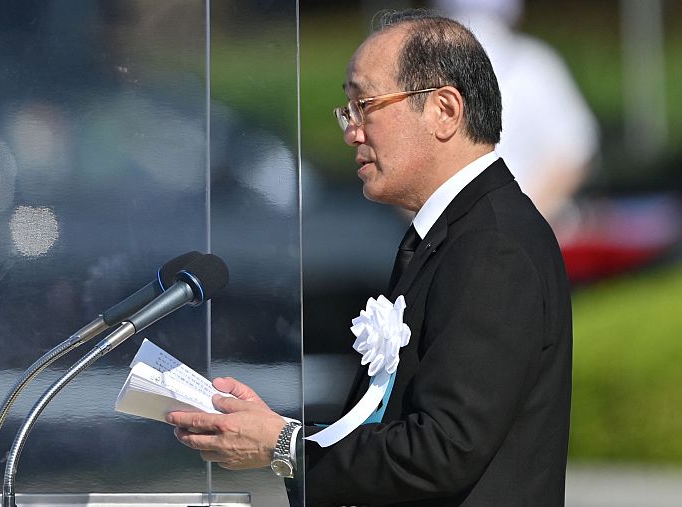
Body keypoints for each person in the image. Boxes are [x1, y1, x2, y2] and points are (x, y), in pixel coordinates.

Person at [166, 9, 572, 506]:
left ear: (444, 110)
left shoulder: (492, 245)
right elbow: (399, 429)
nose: (350, 130)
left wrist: (285, 447)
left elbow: (442, 451)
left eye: (365, 104)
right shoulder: (456, 234)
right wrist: (283, 434)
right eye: (347, 110)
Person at [433, 0, 599, 223]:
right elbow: (576, 150)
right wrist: (522, 216)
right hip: (527, 228)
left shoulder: (420, 69)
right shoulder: (536, 64)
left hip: (446, 235)